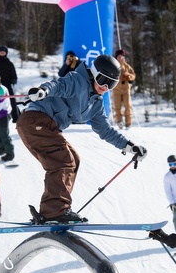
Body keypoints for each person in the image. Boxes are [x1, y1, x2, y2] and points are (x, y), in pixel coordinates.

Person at [18, 53, 147, 223]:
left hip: (45, 126)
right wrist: (44, 90)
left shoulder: (96, 103)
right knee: (63, 160)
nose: (105, 87)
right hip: (36, 120)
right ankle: (54, 211)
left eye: (111, 84)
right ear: (94, 73)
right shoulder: (77, 81)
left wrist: (129, 146)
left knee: (74, 159)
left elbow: (105, 130)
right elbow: (58, 85)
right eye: (102, 80)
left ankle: (55, 209)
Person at [0, 46, 20, 122]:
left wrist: (14, 80)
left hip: (7, 85)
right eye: (1, 51)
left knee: (12, 100)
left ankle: (16, 118)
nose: (2, 53)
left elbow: (14, 75)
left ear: (6, 53)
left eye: (3, 52)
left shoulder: (9, 64)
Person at [112, 49, 136, 129]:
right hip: (116, 90)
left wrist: (128, 75)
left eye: (122, 56)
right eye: (119, 56)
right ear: (116, 57)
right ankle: (119, 121)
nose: (121, 58)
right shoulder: (113, 66)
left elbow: (133, 76)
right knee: (117, 107)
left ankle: (128, 123)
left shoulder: (127, 66)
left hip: (126, 90)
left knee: (128, 106)